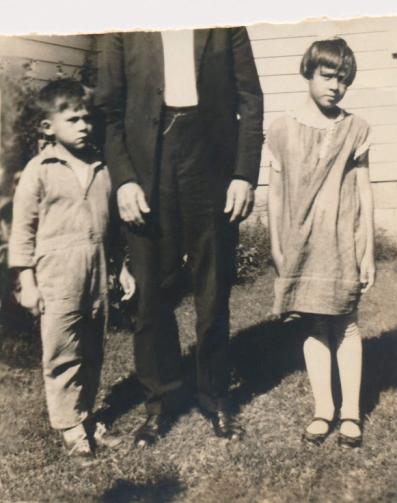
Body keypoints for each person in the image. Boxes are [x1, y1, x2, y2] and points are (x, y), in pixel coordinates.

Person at [96, 28, 264, 444]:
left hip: (210, 160)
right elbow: (108, 109)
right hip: (147, 165)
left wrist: (244, 174)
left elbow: (250, 100)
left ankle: (216, 396)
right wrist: (124, 180)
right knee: (150, 290)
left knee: (213, 287)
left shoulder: (223, 19)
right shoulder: (125, 22)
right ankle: (161, 400)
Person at [8, 79, 135, 465]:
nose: (84, 125)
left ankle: (87, 415)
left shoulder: (101, 168)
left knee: (93, 349)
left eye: (87, 118)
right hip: (57, 274)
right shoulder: (40, 169)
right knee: (63, 352)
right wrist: (26, 281)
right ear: (49, 127)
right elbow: (22, 229)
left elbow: (113, 232)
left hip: (96, 274)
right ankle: (70, 428)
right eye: (73, 119)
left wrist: (122, 269)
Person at [267, 38, 375, 448]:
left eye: (343, 80)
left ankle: (350, 412)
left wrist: (368, 250)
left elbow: (365, 193)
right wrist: (277, 246)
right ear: (308, 73)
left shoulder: (355, 129)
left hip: (341, 238)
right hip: (301, 241)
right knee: (313, 321)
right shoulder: (281, 128)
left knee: (344, 321)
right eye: (327, 76)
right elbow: (275, 193)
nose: (335, 86)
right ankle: (323, 408)